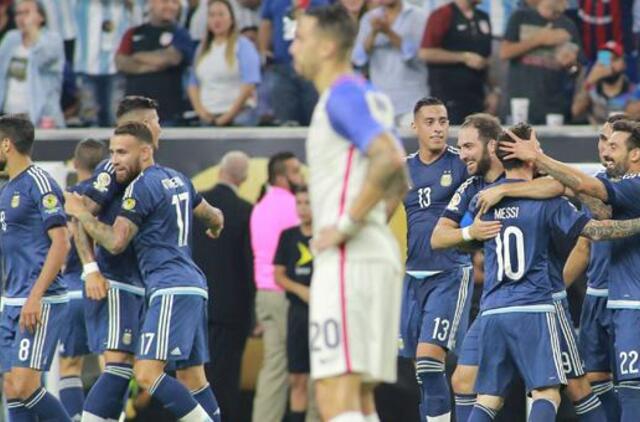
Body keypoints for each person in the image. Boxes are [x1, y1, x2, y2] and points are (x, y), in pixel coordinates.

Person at [466, 124, 640, 422]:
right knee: (548, 393)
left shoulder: (483, 199)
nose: (539, 151)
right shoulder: (550, 204)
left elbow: (568, 186)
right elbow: (593, 228)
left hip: (492, 309)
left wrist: (500, 196)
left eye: (613, 145)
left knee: (487, 398)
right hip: (536, 307)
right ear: (528, 157)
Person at [290, 5, 409, 420]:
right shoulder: (366, 94)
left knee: (334, 396)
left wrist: (345, 226)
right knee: (358, 399)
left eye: (300, 37)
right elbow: (401, 180)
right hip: (373, 254)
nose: (292, 46)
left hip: (348, 257)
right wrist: (369, 221)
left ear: (325, 47)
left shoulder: (341, 95)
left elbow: (391, 160)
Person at [64, 121, 224, 422]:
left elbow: (115, 242)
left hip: (169, 288)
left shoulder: (140, 186)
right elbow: (213, 216)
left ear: (146, 151)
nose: (115, 160)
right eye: (112, 152)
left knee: (147, 374)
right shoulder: (179, 178)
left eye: (122, 152)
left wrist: (81, 212)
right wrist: (215, 226)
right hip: (193, 286)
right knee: (194, 378)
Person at [68, 96, 160, 421]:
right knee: (118, 362)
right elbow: (79, 215)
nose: (159, 126)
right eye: (154, 120)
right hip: (116, 280)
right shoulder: (111, 171)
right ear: (142, 126)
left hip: (141, 283)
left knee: (128, 367)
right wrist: (91, 269)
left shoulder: (151, 170)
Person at [398, 96, 473, 422]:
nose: (439, 128)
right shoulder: (403, 168)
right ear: (415, 126)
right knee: (421, 371)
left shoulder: (460, 163)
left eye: (443, 121)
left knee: (430, 363)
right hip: (413, 275)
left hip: (450, 272)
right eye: (430, 122)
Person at [0, 115, 71, 421]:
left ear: (6, 145)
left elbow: (61, 242)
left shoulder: (40, 181)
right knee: (11, 388)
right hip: (11, 300)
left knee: (25, 385)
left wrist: (35, 296)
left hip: (40, 301)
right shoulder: (7, 189)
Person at [563, 114, 624, 422]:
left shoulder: (632, 187)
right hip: (595, 298)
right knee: (596, 379)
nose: (605, 148)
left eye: (613, 142)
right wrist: (555, 288)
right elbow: (584, 245)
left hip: (628, 301)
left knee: (630, 382)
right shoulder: (598, 182)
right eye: (602, 140)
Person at [192, 151, 255, 422]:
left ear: (220, 171)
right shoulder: (245, 211)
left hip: (193, 303)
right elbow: (248, 266)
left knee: (191, 375)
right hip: (231, 311)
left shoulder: (193, 206)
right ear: (244, 178)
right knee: (226, 380)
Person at [250, 151, 303, 422]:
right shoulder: (293, 207)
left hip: (264, 294)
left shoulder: (260, 206)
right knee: (303, 367)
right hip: (286, 296)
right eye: (295, 171)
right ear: (281, 176)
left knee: (274, 368)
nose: (301, 176)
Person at [57, 138, 107, 420]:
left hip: (73, 289)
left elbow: (59, 246)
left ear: (75, 164)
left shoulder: (66, 199)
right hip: (106, 287)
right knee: (112, 365)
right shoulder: (111, 196)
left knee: (69, 366)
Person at [501, 0, 581, 124]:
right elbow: (505, 52)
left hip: (555, 107)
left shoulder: (569, 26)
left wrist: (571, 64)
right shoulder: (520, 17)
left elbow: (576, 71)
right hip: (521, 105)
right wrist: (539, 39)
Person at [116, 0, 194, 125]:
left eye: (174, 3)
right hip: (134, 116)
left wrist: (137, 56)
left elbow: (171, 58)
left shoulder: (181, 34)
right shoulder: (133, 33)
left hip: (168, 115)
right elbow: (121, 62)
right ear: (151, 3)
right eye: (165, 2)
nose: (170, 6)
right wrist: (154, 64)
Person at [352, 0, 427, 126]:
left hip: (412, 101)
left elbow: (417, 56)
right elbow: (358, 58)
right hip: (380, 102)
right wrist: (374, 32)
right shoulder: (369, 18)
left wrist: (388, 32)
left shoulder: (418, 16)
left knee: (414, 144)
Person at [274, 185, 314, 422]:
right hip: (298, 314)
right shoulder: (288, 236)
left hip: (326, 315)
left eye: (308, 202)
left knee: (326, 379)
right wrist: (301, 290)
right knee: (297, 378)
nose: (303, 208)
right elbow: (279, 275)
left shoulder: (327, 237)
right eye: (299, 202)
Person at [188, 0, 261, 126]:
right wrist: (201, 112)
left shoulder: (243, 46)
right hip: (209, 116)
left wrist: (228, 116)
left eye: (221, 15)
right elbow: (193, 84)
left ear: (231, 19)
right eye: (212, 15)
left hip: (240, 117)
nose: (217, 19)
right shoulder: (202, 49)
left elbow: (249, 83)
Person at [419, 0, 493, 124]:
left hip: (477, 97)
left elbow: (487, 60)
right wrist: (463, 57)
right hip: (448, 98)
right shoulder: (442, 15)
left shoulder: (483, 17)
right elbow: (425, 53)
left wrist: (493, 90)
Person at [258, 0, 329, 126]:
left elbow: (328, 29)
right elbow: (266, 23)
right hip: (281, 67)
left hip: (312, 70)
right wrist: (263, 50)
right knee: (286, 123)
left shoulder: (321, 2)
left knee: (314, 120)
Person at [74, 0, 144, 127]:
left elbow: (140, 27)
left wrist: (132, 6)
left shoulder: (129, 4)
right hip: (87, 69)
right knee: (90, 122)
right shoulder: (81, 4)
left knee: (117, 121)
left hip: (117, 70)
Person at [0, 0, 65, 127]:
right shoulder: (11, 39)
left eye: (27, 12)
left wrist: (32, 31)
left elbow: (45, 57)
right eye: (18, 13)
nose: (21, 18)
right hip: (9, 116)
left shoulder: (53, 40)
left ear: (41, 17)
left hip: (41, 118)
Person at [572, 41, 640, 124]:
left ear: (624, 64)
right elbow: (576, 112)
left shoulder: (633, 90)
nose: (609, 65)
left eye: (614, 59)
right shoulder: (591, 90)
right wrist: (589, 82)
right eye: (605, 60)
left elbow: (634, 116)